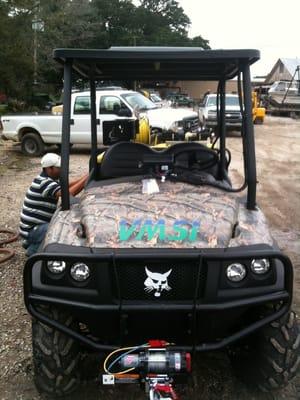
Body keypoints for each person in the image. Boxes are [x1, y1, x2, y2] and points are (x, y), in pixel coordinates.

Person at [19, 153, 88, 256]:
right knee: (61, 229)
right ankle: (33, 251)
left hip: (34, 227)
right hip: (32, 229)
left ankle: (33, 242)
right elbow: (67, 194)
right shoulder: (45, 183)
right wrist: (85, 180)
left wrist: (87, 175)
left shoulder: (47, 179)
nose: (61, 170)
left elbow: (68, 185)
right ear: (49, 169)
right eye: (58, 168)